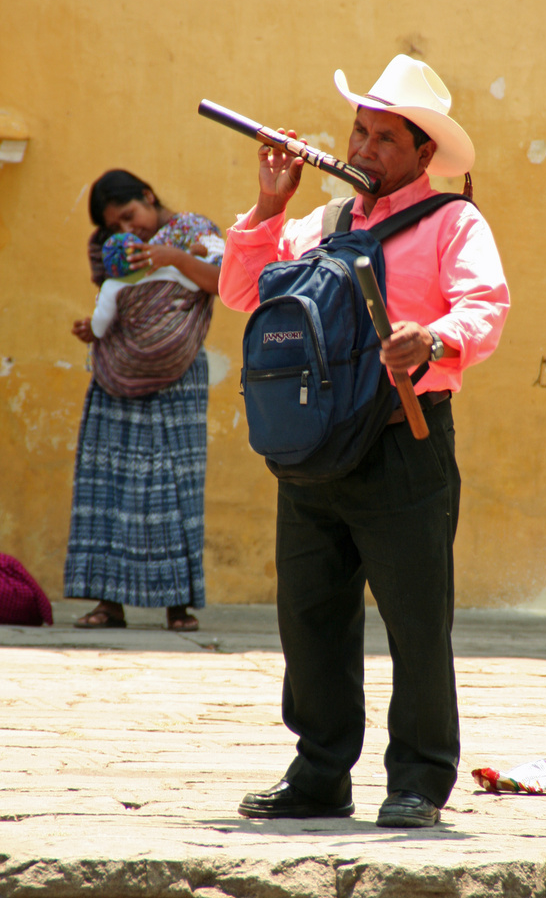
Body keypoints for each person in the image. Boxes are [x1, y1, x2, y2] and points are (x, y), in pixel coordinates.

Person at [219, 55, 510, 826]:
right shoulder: (318, 223)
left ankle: (417, 779)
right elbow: (246, 296)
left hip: (403, 441)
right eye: (360, 130)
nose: (366, 147)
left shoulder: (454, 221)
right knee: (309, 615)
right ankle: (319, 773)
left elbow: (484, 309)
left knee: (416, 619)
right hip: (314, 448)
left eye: (386, 137)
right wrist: (267, 208)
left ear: (423, 155)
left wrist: (434, 338)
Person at [64, 170, 224, 632]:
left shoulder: (194, 231)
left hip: (179, 379)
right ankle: (108, 605)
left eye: (130, 216)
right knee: (108, 483)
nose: (126, 230)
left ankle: (179, 606)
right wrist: (89, 328)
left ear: (149, 196)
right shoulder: (116, 250)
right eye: (116, 225)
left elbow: (222, 282)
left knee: (174, 487)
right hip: (116, 373)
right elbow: (112, 300)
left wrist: (170, 256)